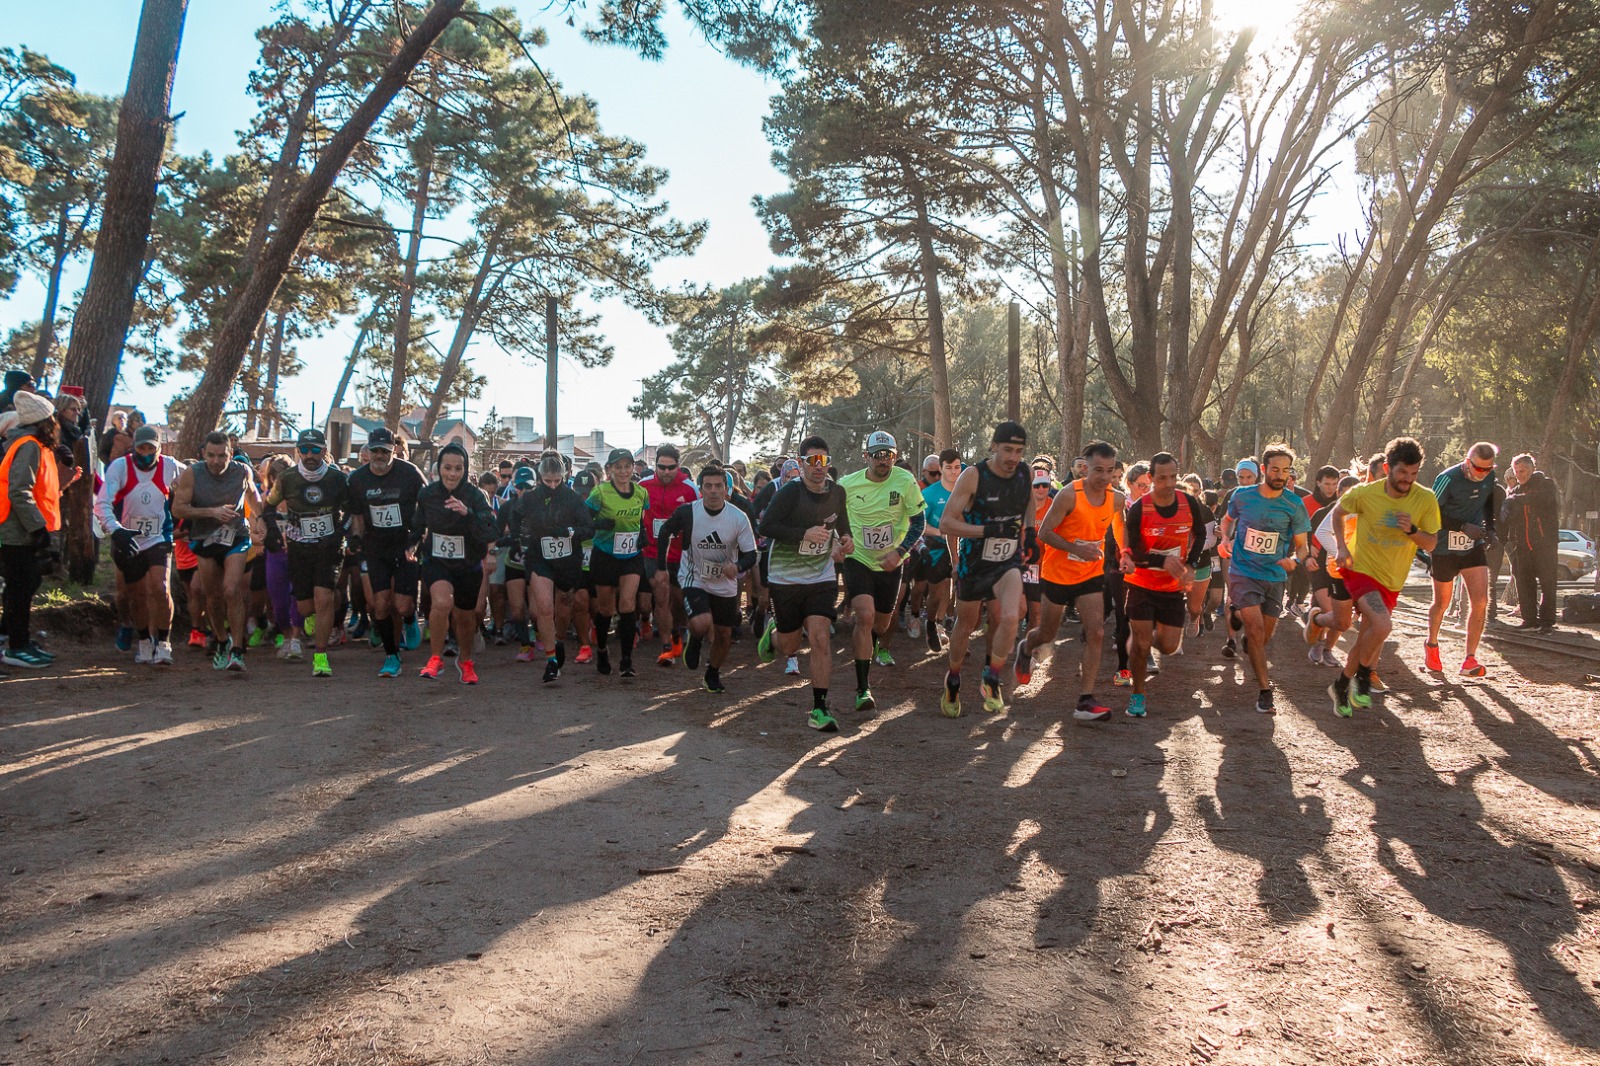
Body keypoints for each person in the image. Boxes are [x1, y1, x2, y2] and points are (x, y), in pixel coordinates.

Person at [1328, 436, 1441, 717]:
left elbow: (1431, 544)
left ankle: (1341, 685)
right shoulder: (1366, 493)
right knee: (1382, 625)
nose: (1407, 479)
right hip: (1360, 570)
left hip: (1392, 579)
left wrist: (1412, 531)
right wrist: (1341, 546)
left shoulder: (1425, 498)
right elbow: (1338, 512)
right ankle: (1364, 676)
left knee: (1369, 633)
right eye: (1402, 472)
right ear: (1388, 467)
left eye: (1414, 473)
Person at [1016, 440, 1125, 722]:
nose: (1104, 477)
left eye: (1110, 470)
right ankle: (1026, 648)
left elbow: (1118, 525)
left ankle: (1085, 700)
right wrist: (1076, 549)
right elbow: (1044, 534)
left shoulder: (1117, 498)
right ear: (1085, 468)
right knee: (1047, 634)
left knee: (1096, 633)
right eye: (1098, 470)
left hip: (1090, 573)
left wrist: (1125, 553)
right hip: (1057, 573)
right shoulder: (1068, 495)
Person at [756, 435, 854, 731]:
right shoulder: (788, 493)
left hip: (821, 576)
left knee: (821, 637)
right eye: (812, 461)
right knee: (790, 643)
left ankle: (819, 709)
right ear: (801, 464)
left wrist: (846, 540)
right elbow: (766, 526)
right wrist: (804, 533)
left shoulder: (837, 492)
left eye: (823, 461)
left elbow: (843, 526)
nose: (818, 467)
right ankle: (774, 635)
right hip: (785, 577)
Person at [939, 421, 1036, 718]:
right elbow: (946, 523)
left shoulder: (1025, 472)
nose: (1012, 457)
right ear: (993, 446)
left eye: (1018, 451)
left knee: (1009, 616)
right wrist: (987, 530)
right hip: (974, 563)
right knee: (966, 625)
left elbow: (1029, 501)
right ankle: (953, 679)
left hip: (1007, 561)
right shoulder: (973, 476)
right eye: (1007, 449)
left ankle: (992, 677)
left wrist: (1030, 531)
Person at [1217, 444, 1311, 713]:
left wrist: (1294, 560)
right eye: (1275, 469)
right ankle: (1265, 691)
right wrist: (1225, 539)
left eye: (1285, 470)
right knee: (1257, 632)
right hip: (1244, 572)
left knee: (1263, 637)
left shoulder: (1294, 504)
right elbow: (1227, 520)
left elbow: (1303, 546)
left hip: (1275, 575)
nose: (1280, 475)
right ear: (1263, 470)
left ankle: (1245, 634)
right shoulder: (1242, 496)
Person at [838, 431, 926, 711]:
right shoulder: (847, 485)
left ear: (895, 456)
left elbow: (919, 522)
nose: (883, 461)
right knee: (864, 616)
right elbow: (833, 518)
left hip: (891, 561)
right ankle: (863, 688)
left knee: (881, 624)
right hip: (859, 558)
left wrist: (900, 552)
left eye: (888, 455)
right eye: (877, 455)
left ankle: (869, 646)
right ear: (866, 456)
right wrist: (842, 539)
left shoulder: (905, 481)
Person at [1118, 453, 1210, 718]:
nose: (1168, 483)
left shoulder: (1189, 503)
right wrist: (1162, 559)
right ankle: (1138, 694)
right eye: (1162, 478)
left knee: (1169, 646)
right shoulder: (1139, 509)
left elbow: (1201, 533)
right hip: (1142, 584)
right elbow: (1132, 551)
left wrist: (1190, 565)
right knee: (1142, 643)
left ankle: (1142, 642)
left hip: (1171, 587)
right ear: (1151, 478)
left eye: (1173, 477)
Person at [660, 462, 758, 693]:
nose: (713, 491)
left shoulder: (738, 517)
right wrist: (661, 567)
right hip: (695, 577)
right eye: (708, 486)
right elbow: (665, 531)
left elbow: (751, 554)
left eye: (718, 486)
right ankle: (694, 639)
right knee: (702, 623)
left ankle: (712, 673)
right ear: (700, 489)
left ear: (726, 489)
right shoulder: (688, 512)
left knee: (724, 635)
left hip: (725, 583)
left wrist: (737, 565)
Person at [172, 431, 265, 672]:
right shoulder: (193, 473)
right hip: (205, 537)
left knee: (231, 590)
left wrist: (261, 517)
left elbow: (252, 495)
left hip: (236, 535)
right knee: (212, 596)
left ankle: (237, 648)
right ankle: (222, 640)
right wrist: (211, 512)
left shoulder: (241, 471)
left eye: (221, 456)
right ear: (203, 454)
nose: (215, 461)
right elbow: (178, 509)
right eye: (211, 455)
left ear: (230, 454)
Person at [262, 428, 349, 678]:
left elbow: (352, 509)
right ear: (297, 451)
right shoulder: (287, 478)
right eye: (304, 450)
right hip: (299, 547)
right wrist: (272, 533)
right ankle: (311, 618)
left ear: (324, 451)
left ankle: (320, 657)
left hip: (329, 547)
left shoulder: (337, 478)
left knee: (324, 598)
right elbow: (267, 507)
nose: (309, 455)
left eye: (315, 450)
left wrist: (341, 532)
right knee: (304, 608)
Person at [96, 424, 183, 665]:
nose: (145, 452)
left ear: (159, 448)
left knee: (160, 587)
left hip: (159, 536)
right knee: (136, 595)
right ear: (133, 447)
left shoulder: (171, 466)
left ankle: (164, 642)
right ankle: (145, 640)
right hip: (128, 538)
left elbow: (192, 482)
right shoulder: (120, 467)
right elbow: (102, 503)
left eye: (150, 448)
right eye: (140, 447)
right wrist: (116, 531)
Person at [414, 443, 498, 682]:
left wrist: (467, 513)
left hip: (468, 563)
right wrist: (412, 543)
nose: (452, 473)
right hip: (437, 560)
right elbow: (418, 524)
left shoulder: (475, 495)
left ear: (465, 469)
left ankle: (466, 660)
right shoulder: (428, 494)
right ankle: (435, 659)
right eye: (447, 467)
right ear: (438, 468)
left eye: (458, 468)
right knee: (441, 602)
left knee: (465, 616)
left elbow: (490, 528)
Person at [346, 427, 427, 677]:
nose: (379, 456)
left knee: (402, 606)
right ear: (368, 451)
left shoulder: (409, 473)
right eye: (375, 451)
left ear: (393, 451)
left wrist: (417, 536)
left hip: (405, 545)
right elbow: (357, 514)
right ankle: (392, 656)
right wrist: (356, 539)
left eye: (385, 451)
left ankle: (411, 619)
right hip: (376, 547)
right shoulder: (358, 479)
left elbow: (426, 502)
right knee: (380, 605)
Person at [517, 452, 594, 683]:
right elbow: (513, 517)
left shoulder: (573, 499)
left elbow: (588, 529)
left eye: (556, 481)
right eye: (547, 481)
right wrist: (518, 536)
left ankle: (559, 639)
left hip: (567, 560)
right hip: (539, 557)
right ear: (540, 477)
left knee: (563, 606)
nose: (552, 485)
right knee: (544, 607)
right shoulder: (530, 498)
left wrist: (569, 532)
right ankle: (551, 661)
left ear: (564, 476)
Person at [0, 391, 63, 669]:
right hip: (17, 531)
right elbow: (19, 490)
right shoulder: (29, 446)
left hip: (19, 529)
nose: (56, 423)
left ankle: (19, 640)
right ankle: (16, 647)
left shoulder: (32, 444)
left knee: (24, 587)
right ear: (44, 421)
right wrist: (38, 529)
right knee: (20, 588)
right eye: (52, 419)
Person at [1425, 442, 1499, 675]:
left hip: (1471, 545)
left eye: (1488, 469)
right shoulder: (1447, 478)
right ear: (1467, 462)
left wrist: (1490, 529)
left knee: (1481, 601)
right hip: (1444, 546)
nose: (1483, 474)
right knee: (1442, 603)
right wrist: (1460, 526)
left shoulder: (1489, 476)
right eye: (1479, 469)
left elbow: (1488, 501)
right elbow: (1430, 513)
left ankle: (1470, 659)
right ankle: (1432, 644)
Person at [587, 447, 648, 677]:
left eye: (627, 466)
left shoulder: (641, 493)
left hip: (631, 555)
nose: (623, 471)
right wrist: (599, 525)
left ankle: (626, 660)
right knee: (605, 608)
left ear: (633, 468)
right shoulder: (600, 493)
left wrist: (642, 533)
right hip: (605, 555)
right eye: (618, 467)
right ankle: (602, 650)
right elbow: (585, 519)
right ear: (609, 469)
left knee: (627, 605)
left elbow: (640, 518)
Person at [640, 444, 700, 666]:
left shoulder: (690, 489)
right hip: (653, 553)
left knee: (678, 600)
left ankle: (679, 633)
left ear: (678, 466)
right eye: (661, 467)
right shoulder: (643, 486)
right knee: (661, 593)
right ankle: (666, 645)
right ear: (655, 465)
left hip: (681, 554)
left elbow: (698, 520)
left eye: (671, 467)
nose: (666, 472)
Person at [1304, 475, 1360, 667]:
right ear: (1338, 494)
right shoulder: (1324, 514)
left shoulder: (1363, 514)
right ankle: (1318, 642)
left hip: (1345, 571)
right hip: (1320, 569)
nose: (1350, 501)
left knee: (1342, 617)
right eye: (1346, 495)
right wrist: (1307, 557)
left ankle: (1327, 648)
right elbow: (1304, 537)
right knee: (1331, 611)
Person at [910, 448, 962, 652]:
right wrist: (942, 532)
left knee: (955, 591)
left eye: (957, 467)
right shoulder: (929, 494)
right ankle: (929, 621)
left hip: (962, 545)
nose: (952, 472)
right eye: (948, 468)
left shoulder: (966, 490)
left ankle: (944, 627)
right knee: (934, 592)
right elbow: (919, 524)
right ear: (941, 469)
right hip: (935, 546)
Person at [1503, 452, 1561, 632]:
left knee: (1547, 583)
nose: (1520, 475)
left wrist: (1513, 500)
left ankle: (1547, 622)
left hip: (1545, 545)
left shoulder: (1546, 485)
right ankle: (1529, 619)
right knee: (1524, 583)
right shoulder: (1515, 491)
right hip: (1522, 546)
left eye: (1524, 470)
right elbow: (1510, 516)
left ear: (1532, 469)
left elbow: (1542, 499)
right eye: (1517, 471)